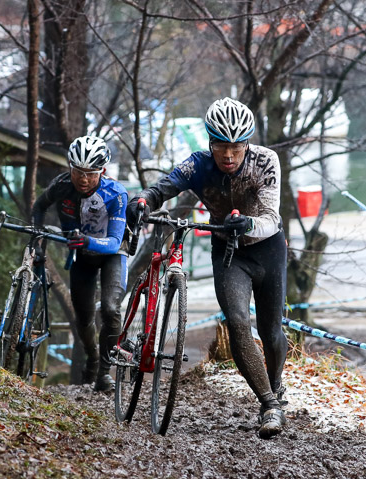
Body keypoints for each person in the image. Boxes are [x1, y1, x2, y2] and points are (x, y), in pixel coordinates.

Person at [126, 98, 288, 439]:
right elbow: (165, 186)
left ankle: (275, 389)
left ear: (247, 143)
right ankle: (269, 404)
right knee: (239, 324)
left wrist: (245, 224)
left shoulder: (265, 161)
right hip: (228, 253)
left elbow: (272, 218)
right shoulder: (198, 164)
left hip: (267, 248)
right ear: (210, 142)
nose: (228, 156)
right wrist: (142, 200)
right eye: (220, 147)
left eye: (235, 148)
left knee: (272, 333)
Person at [32, 135, 128, 392]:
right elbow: (39, 207)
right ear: (69, 168)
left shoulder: (116, 194)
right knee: (83, 317)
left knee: (109, 308)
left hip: (112, 255)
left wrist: (86, 241)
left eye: (90, 174)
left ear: (102, 171)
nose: (83, 179)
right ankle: (93, 358)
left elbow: (115, 242)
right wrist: (37, 234)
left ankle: (105, 373)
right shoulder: (62, 185)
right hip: (82, 257)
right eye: (78, 172)